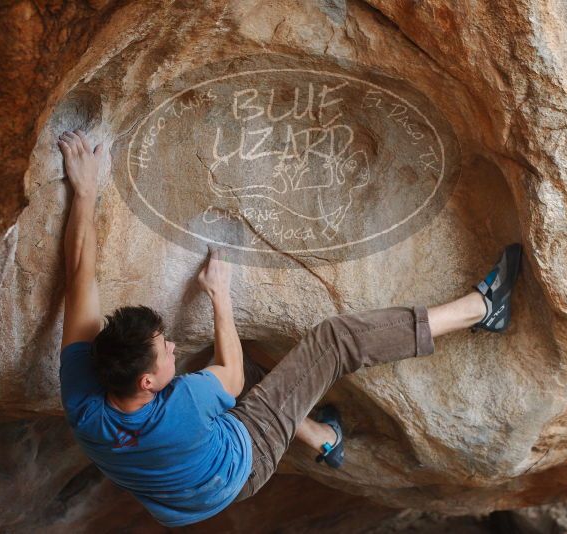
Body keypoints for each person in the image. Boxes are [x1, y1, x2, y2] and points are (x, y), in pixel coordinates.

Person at [56, 129, 523, 527]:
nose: (174, 347)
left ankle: (323, 438)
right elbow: (231, 373)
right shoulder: (183, 404)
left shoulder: (83, 399)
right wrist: (220, 293)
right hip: (244, 461)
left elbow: (79, 272)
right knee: (332, 341)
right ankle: (481, 310)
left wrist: (85, 191)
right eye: (165, 352)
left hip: (183, 497)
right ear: (148, 382)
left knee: (264, 381)